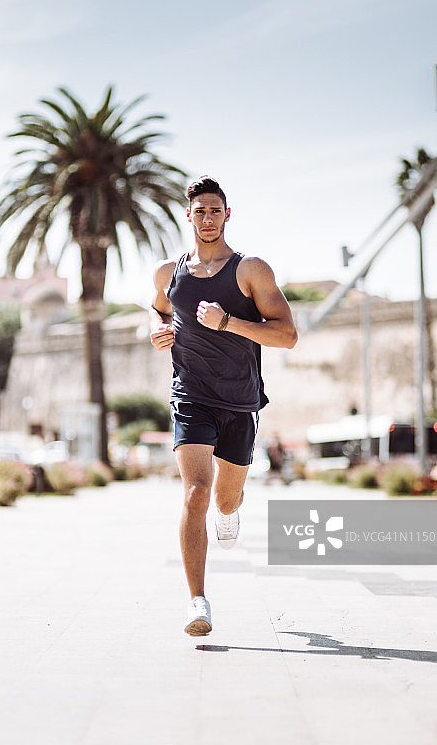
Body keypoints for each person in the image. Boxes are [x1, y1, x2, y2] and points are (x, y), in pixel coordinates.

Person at [149, 175, 297, 636]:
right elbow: (155, 308)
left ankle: (230, 511)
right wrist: (155, 331)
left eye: (215, 210)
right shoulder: (168, 272)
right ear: (187, 215)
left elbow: (287, 335)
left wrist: (229, 321)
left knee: (223, 497)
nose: (207, 218)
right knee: (195, 492)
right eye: (200, 211)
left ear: (226, 214)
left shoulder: (250, 270)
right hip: (190, 395)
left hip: (239, 400)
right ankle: (198, 601)